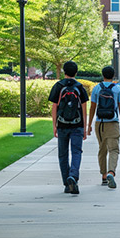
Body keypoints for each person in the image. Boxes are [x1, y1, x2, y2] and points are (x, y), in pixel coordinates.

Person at [49, 61, 89, 194]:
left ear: (64, 72)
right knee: (77, 152)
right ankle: (73, 176)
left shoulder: (58, 86)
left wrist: (54, 125)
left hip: (62, 125)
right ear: (76, 72)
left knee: (63, 154)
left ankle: (67, 183)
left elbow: (54, 107)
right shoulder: (80, 87)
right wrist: (85, 126)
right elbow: (84, 109)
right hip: (77, 125)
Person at [88, 66, 120, 189]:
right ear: (113, 75)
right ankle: (111, 172)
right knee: (114, 149)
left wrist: (89, 125)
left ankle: (104, 175)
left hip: (99, 123)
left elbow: (92, 108)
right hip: (113, 122)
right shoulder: (118, 89)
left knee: (102, 149)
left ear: (102, 74)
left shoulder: (96, 88)